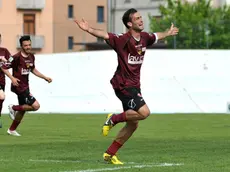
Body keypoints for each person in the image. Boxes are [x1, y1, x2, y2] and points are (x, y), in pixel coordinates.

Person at [74, 8, 179, 164]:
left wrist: (167, 33)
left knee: (133, 124)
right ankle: (113, 119)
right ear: (130, 23)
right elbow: (104, 34)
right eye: (137, 18)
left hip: (135, 86)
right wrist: (88, 29)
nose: (141, 20)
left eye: (141, 17)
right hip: (123, 84)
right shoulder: (122, 39)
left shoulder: (145, 37)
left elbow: (157, 36)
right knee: (144, 112)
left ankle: (110, 154)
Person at [1, 35, 52, 136]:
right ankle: (13, 108)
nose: (28, 47)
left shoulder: (31, 56)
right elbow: (3, 66)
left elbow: (33, 70)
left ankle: (11, 129)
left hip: (26, 86)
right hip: (19, 86)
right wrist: (12, 78)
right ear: (21, 46)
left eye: (29, 45)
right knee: (36, 106)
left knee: (23, 109)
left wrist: (44, 77)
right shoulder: (15, 57)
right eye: (25, 45)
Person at [0, 34, 12, 128]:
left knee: (1, 98)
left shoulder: (4, 51)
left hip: (1, 80)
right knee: (1, 96)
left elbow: (11, 60)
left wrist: (6, 61)